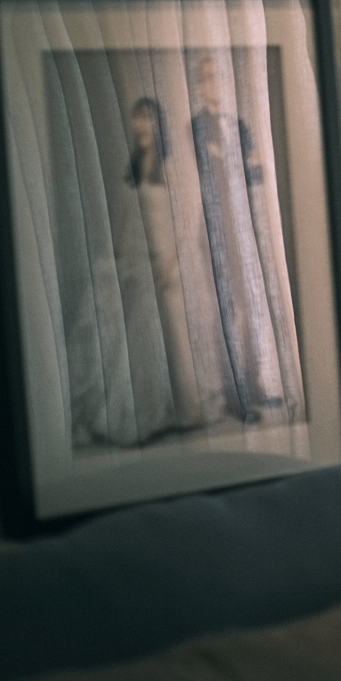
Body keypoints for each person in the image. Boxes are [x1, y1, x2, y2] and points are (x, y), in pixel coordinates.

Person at [189, 53, 287, 423]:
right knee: (227, 310)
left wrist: (237, 164)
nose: (213, 84)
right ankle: (235, 395)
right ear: (199, 85)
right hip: (216, 227)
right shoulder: (197, 126)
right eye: (206, 78)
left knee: (251, 307)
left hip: (242, 224)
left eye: (218, 76)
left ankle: (254, 383)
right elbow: (213, 171)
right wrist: (234, 164)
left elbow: (255, 173)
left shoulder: (238, 125)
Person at [123, 97, 207, 431]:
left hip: (171, 262)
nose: (142, 125)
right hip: (144, 260)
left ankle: (190, 411)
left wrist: (171, 264)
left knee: (176, 336)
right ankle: (158, 410)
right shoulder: (136, 161)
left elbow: (186, 219)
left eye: (148, 118)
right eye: (137, 118)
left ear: (158, 123)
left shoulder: (171, 163)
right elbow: (129, 215)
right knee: (148, 336)